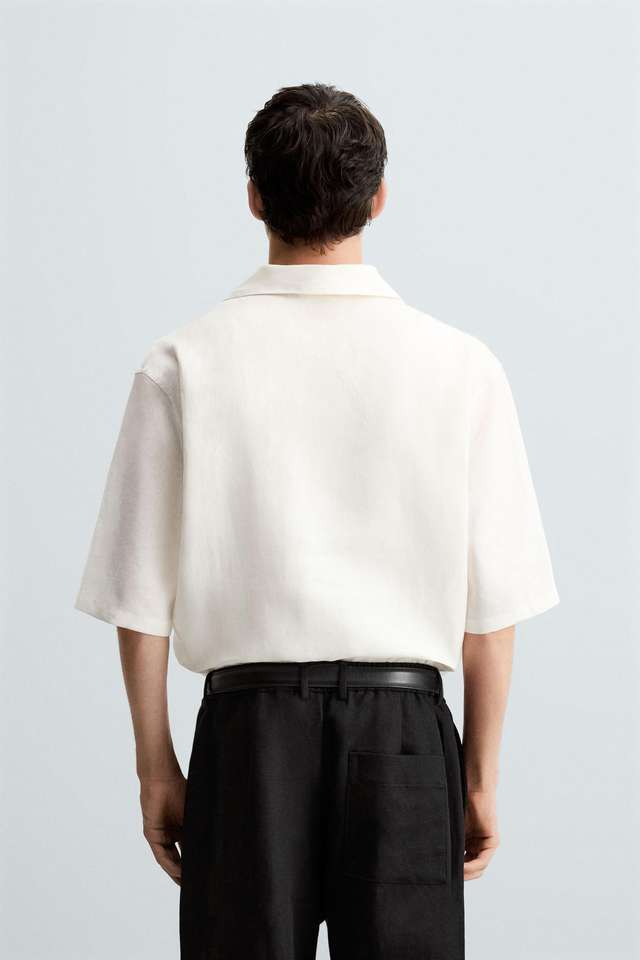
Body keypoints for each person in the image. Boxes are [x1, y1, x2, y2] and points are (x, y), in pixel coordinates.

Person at [74, 82, 559, 959]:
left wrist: (156, 768)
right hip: (405, 736)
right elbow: (491, 614)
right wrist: (481, 777)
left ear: (254, 197)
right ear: (379, 199)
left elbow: (138, 602)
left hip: (248, 736)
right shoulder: (462, 368)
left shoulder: (182, 363)